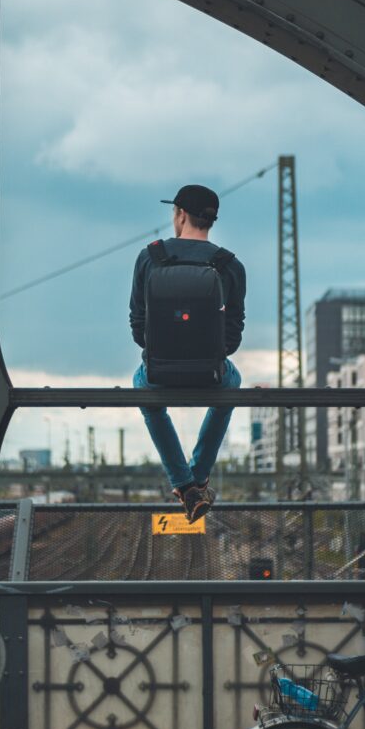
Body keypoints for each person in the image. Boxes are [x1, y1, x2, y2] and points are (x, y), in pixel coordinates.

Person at [130, 184, 246, 522]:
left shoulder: (150, 257)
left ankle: (183, 483)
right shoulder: (230, 265)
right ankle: (198, 477)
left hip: (158, 374)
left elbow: (138, 327)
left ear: (180, 215)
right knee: (231, 385)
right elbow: (233, 336)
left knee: (147, 397)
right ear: (211, 220)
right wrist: (208, 357)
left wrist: (164, 355)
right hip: (211, 375)